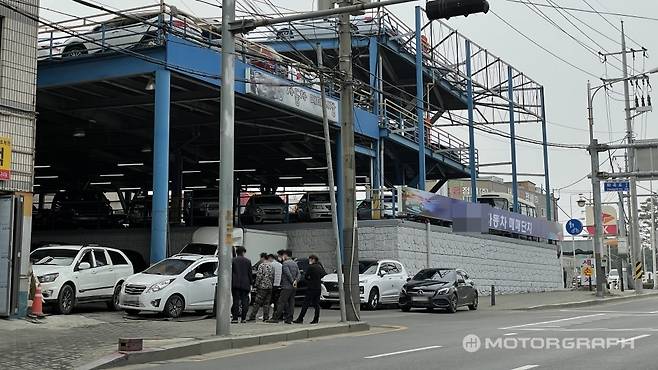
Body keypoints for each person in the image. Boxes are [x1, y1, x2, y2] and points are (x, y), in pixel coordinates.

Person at [267, 249, 299, 324]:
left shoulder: (285, 263)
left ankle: (276, 318)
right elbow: (299, 274)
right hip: (294, 287)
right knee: (291, 302)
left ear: (285, 255)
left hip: (286, 286)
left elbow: (287, 274)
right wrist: (295, 281)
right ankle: (289, 318)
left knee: (281, 302)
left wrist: (292, 281)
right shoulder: (295, 263)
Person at [294, 254, 326, 324]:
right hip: (318, 287)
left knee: (305, 303)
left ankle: (300, 318)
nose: (309, 261)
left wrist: (310, 279)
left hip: (311, 287)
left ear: (313, 260)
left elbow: (306, 276)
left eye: (310, 259)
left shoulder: (311, 267)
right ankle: (316, 319)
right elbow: (324, 274)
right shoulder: (319, 266)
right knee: (316, 304)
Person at [247, 253, 274, 322]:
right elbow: (272, 276)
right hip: (269, 286)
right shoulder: (271, 265)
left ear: (263, 258)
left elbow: (259, 276)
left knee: (257, 302)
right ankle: (266, 317)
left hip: (262, 286)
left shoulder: (262, 266)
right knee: (266, 303)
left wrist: (256, 284)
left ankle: (252, 316)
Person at [231, 246, 253, 323]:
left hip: (235, 283)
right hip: (245, 284)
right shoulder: (248, 261)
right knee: (244, 301)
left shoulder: (233, 260)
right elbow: (250, 273)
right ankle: (243, 318)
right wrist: (251, 283)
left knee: (236, 301)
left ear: (236, 252)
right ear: (243, 252)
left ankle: (235, 318)